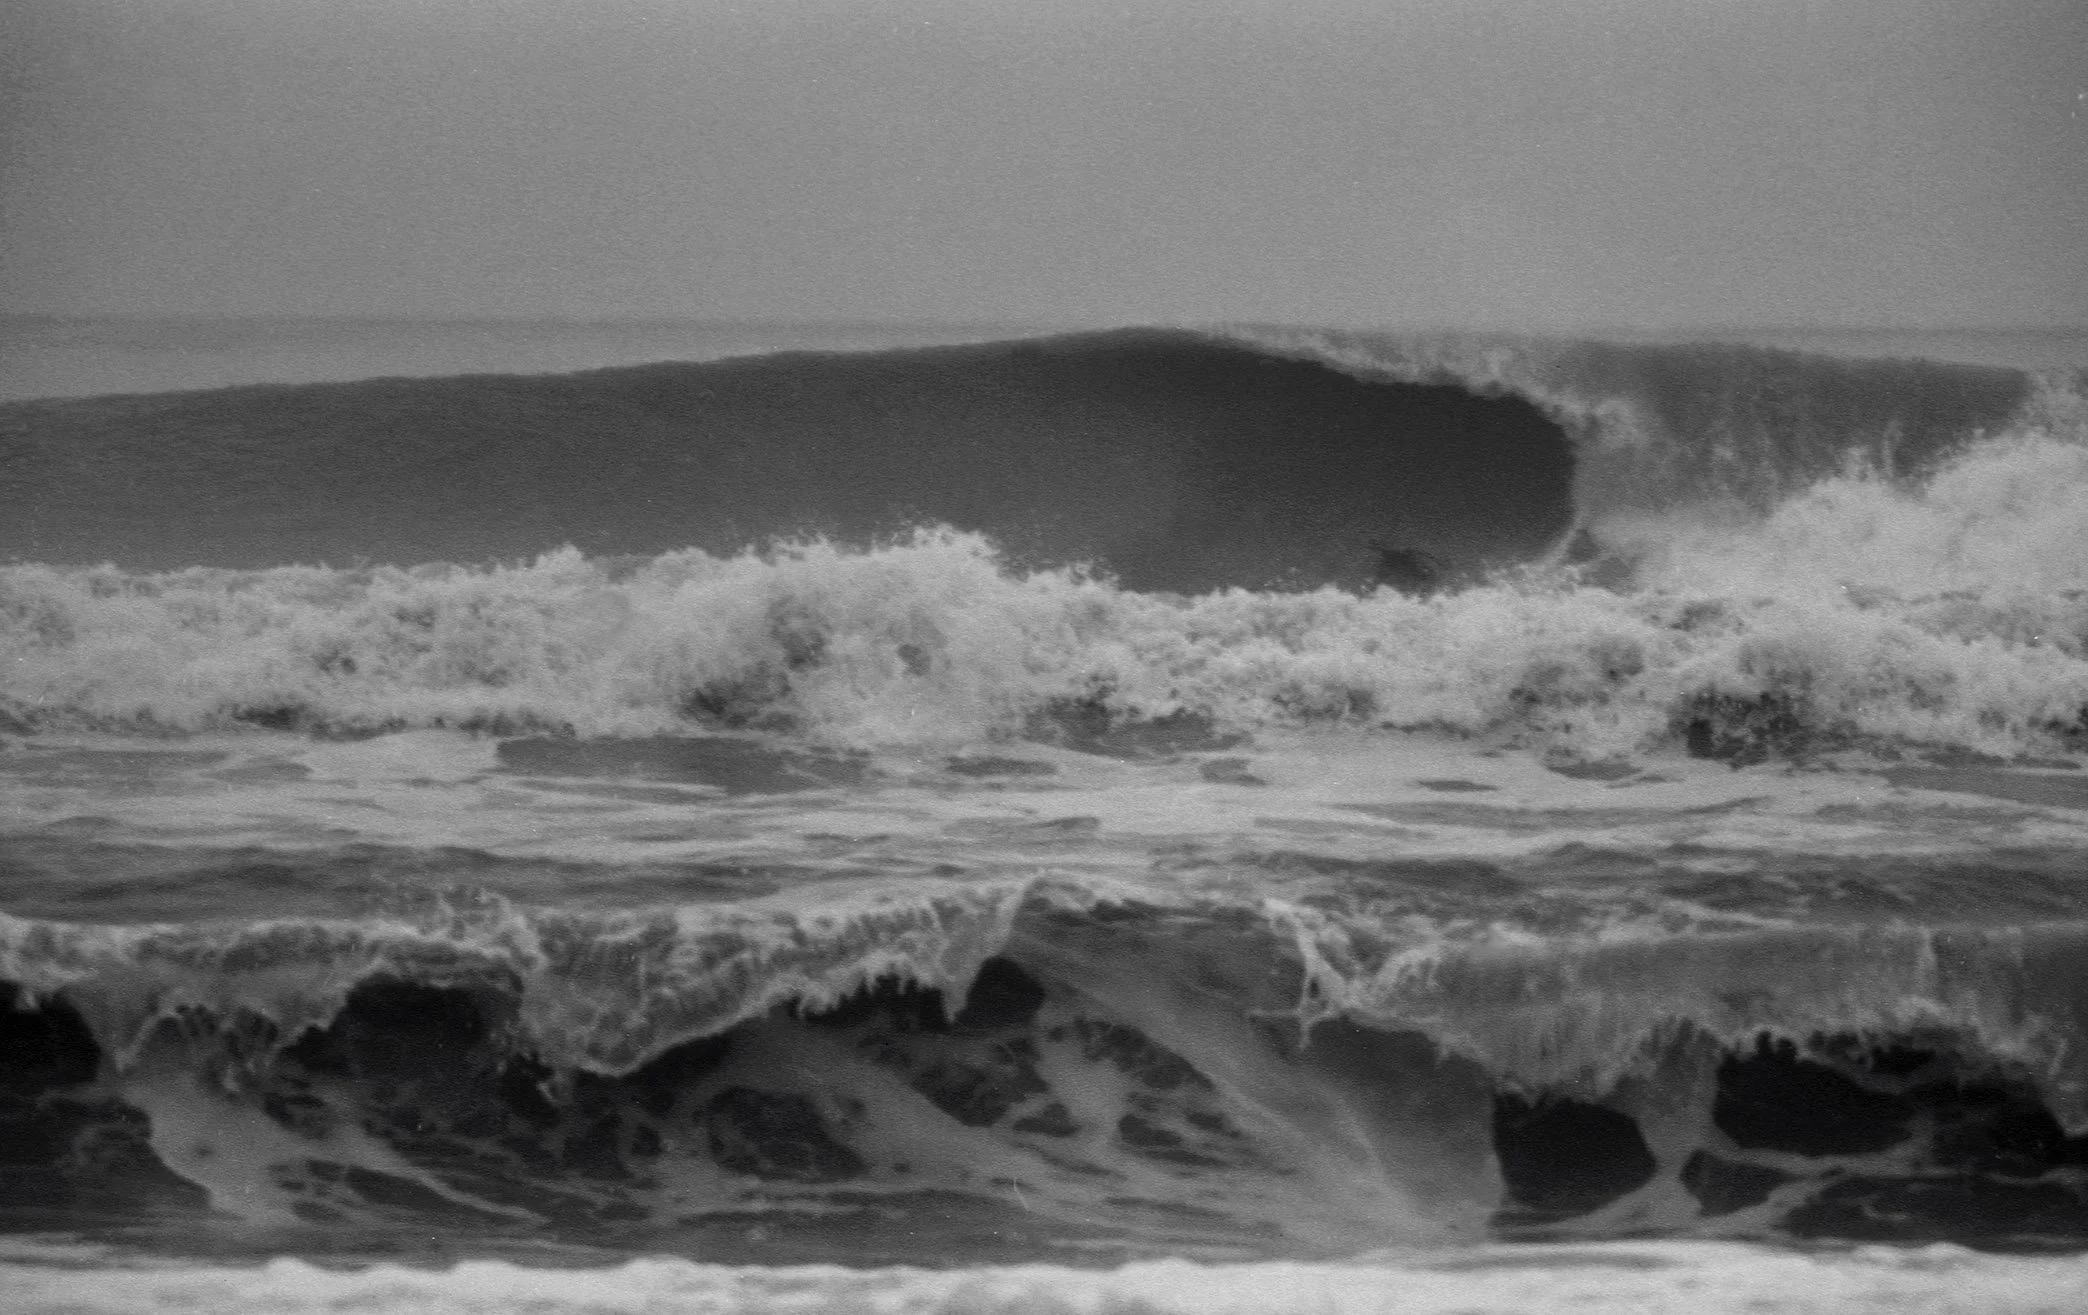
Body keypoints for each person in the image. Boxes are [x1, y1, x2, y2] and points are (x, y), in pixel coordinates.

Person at [1368, 539, 1448, 596]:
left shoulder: (1413, 571)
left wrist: (1437, 561)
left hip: (1400, 563)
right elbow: (1421, 554)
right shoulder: (1413, 565)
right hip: (1401, 562)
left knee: (1389, 564)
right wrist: (1438, 561)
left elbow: (1421, 555)